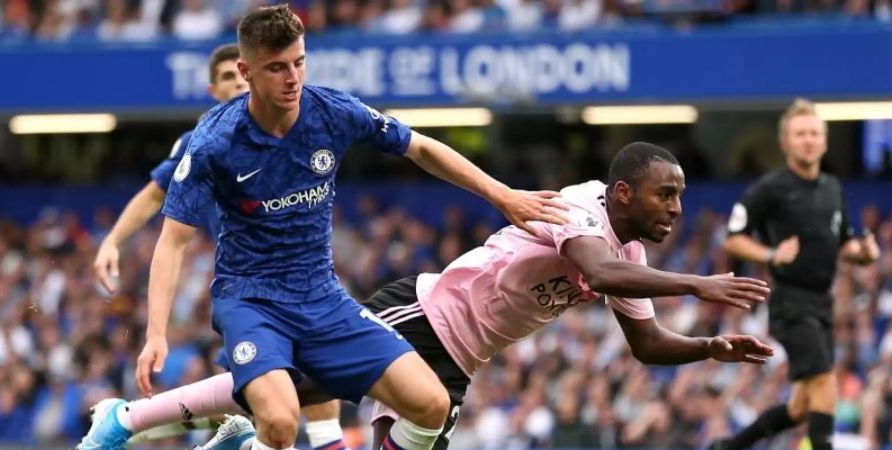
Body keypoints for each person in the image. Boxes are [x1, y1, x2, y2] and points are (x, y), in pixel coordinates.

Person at [99, 142, 775, 450]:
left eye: (683, 195)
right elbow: (596, 274)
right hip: (422, 316)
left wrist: (707, 347)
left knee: (290, 398)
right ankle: (127, 421)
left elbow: (649, 342)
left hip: (458, 364)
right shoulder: (579, 211)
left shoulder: (632, 255)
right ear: (624, 191)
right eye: (668, 193)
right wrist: (698, 282)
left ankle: (169, 428)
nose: (678, 208)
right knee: (290, 390)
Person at [137, 4, 567, 450]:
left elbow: (419, 148)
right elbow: (172, 243)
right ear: (246, 71)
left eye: (299, 63)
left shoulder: (331, 112)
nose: (292, 79)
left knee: (431, 404)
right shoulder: (215, 143)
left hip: (321, 297)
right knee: (282, 424)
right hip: (251, 300)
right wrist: (155, 334)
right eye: (277, 67)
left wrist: (502, 195)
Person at [79, 43, 352, 450]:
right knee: (289, 404)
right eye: (227, 78)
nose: (239, 83)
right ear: (213, 90)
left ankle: (152, 424)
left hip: (306, 285)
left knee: (304, 401)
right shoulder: (205, 142)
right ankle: (129, 420)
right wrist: (114, 241)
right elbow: (156, 195)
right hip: (251, 294)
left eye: (242, 74)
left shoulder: (295, 124)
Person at [709, 99, 880, 450]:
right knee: (826, 387)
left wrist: (864, 253)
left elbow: (844, 243)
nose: (808, 140)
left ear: (825, 141)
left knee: (802, 406)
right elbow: (734, 237)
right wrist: (771, 253)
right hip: (790, 302)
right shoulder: (771, 188)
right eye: (800, 133)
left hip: (822, 304)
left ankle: (728, 447)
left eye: (815, 133)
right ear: (786, 142)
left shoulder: (832, 189)